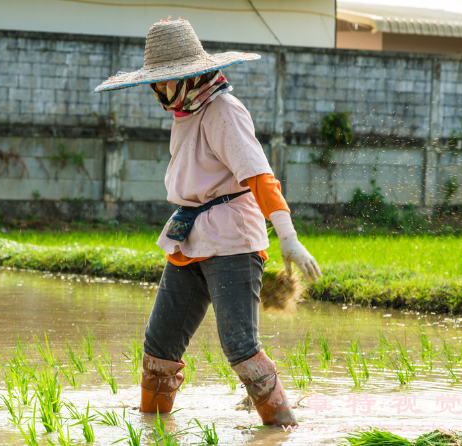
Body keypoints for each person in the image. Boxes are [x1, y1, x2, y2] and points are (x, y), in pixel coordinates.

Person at [93, 18, 322, 427]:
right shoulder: (186, 112)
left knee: (239, 346)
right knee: (159, 346)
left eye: (165, 82)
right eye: (158, 82)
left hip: (231, 240)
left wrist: (288, 237)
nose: (159, 90)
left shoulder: (223, 111)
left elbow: (259, 176)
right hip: (190, 237)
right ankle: (153, 427)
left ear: (188, 78)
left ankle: (282, 428)